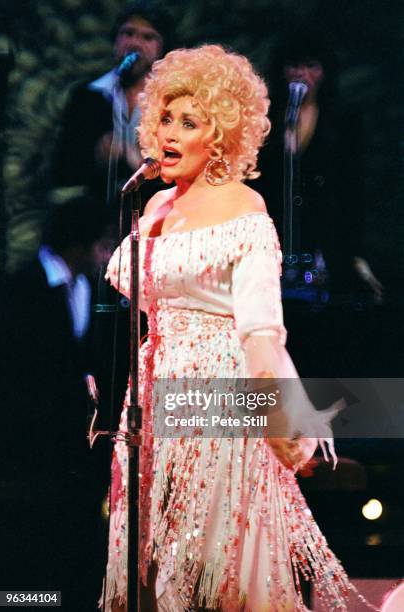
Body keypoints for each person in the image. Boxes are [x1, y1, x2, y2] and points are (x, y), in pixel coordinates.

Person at [103, 45, 368, 611]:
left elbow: (261, 332)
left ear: (220, 137)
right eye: (166, 118)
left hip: (217, 399)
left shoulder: (245, 210)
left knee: (210, 563)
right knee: (151, 555)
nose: (170, 133)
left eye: (189, 122)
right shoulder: (152, 210)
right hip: (151, 401)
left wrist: (279, 419)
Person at [0, 197, 115, 611]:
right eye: (103, 244)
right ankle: (26, 603)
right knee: (30, 552)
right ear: (80, 242)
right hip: (29, 450)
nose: (107, 256)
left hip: (73, 452)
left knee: (72, 547)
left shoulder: (84, 287)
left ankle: (70, 600)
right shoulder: (20, 289)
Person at [252, 31, 383, 377]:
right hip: (275, 236)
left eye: (311, 66)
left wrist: (353, 252)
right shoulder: (266, 120)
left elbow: (353, 188)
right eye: (293, 66)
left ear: (325, 72)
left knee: (326, 336)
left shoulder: (342, 119)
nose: (301, 75)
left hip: (327, 237)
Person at [52, 0, 172, 205]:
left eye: (147, 37)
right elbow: (64, 171)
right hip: (95, 212)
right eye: (128, 33)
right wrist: (97, 158)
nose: (135, 43)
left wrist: (136, 160)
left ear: (161, 47)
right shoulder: (86, 96)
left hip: (152, 209)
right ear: (116, 40)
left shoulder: (171, 100)